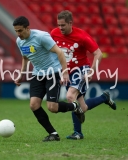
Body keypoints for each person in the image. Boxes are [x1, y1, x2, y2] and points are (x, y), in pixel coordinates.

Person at [13, 16, 85, 142]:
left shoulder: (41, 37)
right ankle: (53, 134)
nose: (18, 34)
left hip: (53, 73)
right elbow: (25, 57)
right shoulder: (20, 41)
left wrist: (65, 72)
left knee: (52, 108)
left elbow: (60, 53)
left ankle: (74, 106)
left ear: (27, 28)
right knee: (34, 105)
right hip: (37, 74)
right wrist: (21, 74)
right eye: (16, 31)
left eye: (20, 31)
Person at [50, 10, 117, 140]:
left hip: (81, 70)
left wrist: (91, 71)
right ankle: (104, 97)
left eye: (63, 25)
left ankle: (77, 133)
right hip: (66, 73)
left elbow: (98, 53)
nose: (60, 28)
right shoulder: (54, 33)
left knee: (70, 96)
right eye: (58, 25)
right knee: (83, 107)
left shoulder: (82, 36)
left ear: (70, 23)